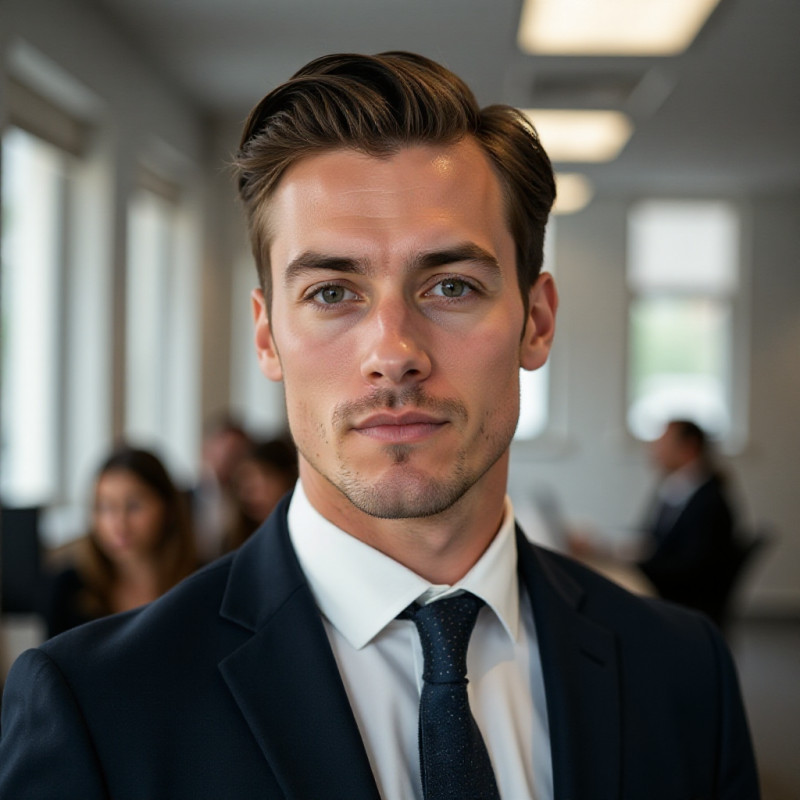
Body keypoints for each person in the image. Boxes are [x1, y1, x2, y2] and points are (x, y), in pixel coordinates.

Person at [0, 52, 758, 799]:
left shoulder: (686, 674)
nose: (394, 354)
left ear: (537, 321)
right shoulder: (98, 708)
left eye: (452, 285)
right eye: (333, 292)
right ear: (267, 337)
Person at [42, 444, 197, 638]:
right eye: (106, 507)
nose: (119, 524)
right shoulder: (67, 588)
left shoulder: (202, 584)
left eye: (134, 505)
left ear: (169, 510)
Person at [637, 419, 742, 627]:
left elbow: (691, 568)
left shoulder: (708, 501)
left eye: (662, 443)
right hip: (672, 588)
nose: (654, 450)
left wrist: (634, 563)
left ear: (688, 447)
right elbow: (656, 538)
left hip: (685, 600)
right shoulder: (677, 487)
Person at [191, 414, 253, 563]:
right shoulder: (184, 497)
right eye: (223, 450)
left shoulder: (250, 502)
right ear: (207, 449)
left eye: (236, 452)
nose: (227, 458)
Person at [227, 437, 298, 550]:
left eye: (265, 479)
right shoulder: (234, 541)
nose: (252, 494)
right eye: (245, 483)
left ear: (288, 478)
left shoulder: (303, 534)